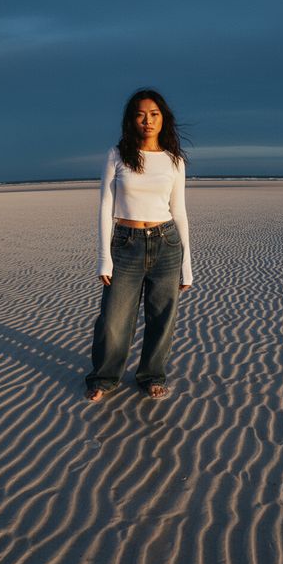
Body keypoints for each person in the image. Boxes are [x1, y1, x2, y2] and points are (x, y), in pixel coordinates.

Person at [85, 87, 192, 401]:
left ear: (163, 119)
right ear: (132, 120)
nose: (148, 120)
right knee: (114, 320)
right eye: (141, 114)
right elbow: (106, 206)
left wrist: (187, 265)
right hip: (126, 244)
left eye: (154, 114)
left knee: (162, 319)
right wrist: (104, 257)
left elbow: (180, 211)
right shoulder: (116, 155)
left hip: (167, 244)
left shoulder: (174, 160)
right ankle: (104, 378)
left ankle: (151, 375)